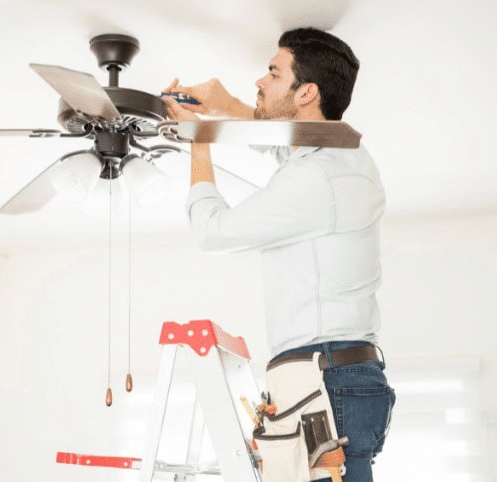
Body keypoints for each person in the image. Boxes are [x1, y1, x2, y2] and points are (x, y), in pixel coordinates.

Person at [162, 27, 395, 481]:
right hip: (335, 374)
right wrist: (222, 104)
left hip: (324, 378)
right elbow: (279, 140)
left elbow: (212, 231)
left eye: (273, 73)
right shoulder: (341, 158)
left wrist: (200, 140)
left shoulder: (315, 178)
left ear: (307, 92)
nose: (259, 81)